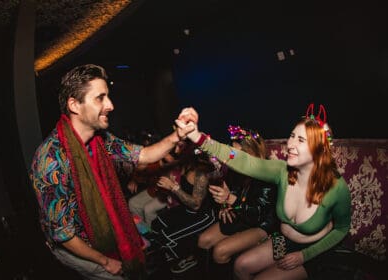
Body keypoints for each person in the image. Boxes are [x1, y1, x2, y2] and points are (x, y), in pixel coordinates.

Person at [29, 64, 194, 280]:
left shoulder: (101, 141)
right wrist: (105, 262)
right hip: (81, 248)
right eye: (100, 98)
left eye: (108, 97)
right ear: (74, 105)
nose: (110, 105)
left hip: (106, 230)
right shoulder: (50, 161)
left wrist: (177, 136)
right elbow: (62, 234)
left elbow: (144, 155)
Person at [176, 104, 351, 279]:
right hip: (284, 241)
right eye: (292, 136)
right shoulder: (282, 171)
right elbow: (244, 161)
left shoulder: (336, 188)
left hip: (315, 252)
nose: (290, 144)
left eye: (301, 140)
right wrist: (197, 137)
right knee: (240, 266)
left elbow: (341, 229)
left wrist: (304, 256)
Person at [197, 125, 278, 266]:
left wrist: (230, 199)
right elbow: (233, 192)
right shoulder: (236, 169)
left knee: (220, 251)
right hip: (240, 214)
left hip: (262, 223)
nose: (232, 156)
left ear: (251, 152)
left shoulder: (267, 173)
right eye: (232, 151)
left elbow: (257, 214)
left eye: (236, 152)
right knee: (203, 241)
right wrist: (224, 205)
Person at [149, 142, 217, 274]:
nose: (176, 149)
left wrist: (174, 188)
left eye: (180, 147)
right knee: (156, 224)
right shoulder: (185, 166)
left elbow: (196, 205)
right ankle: (172, 251)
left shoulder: (200, 174)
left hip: (204, 216)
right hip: (186, 209)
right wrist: (173, 186)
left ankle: (189, 257)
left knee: (166, 237)